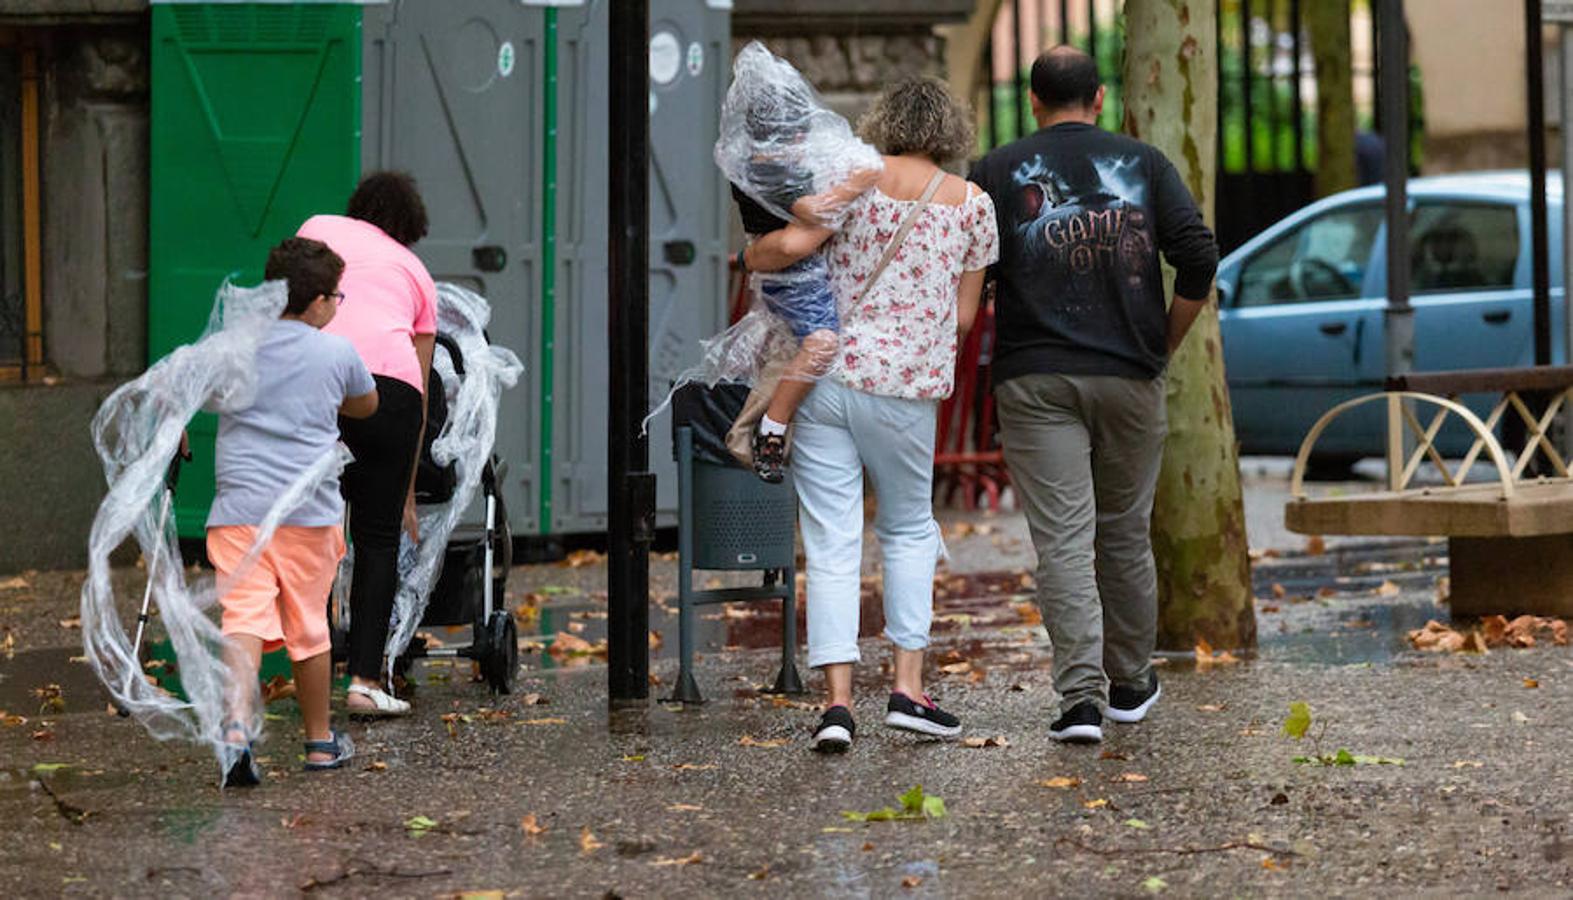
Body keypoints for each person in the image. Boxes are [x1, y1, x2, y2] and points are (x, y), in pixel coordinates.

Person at [969, 46, 1219, 745]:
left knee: (1062, 543)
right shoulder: (1143, 163)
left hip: (1034, 375)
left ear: (1032, 100)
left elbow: (971, 267)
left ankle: (1078, 701)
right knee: (1123, 532)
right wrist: (1161, 344)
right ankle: (1130, 683)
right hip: (1128, 374)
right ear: (1101, 98)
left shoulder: (994, 170)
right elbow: (1197, 255)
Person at [745, 76, 999, 752]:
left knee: (830, 541)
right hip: (904, 389)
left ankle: (835, 704)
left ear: (884, 122)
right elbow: (967, 316)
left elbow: (792, 249)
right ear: (950, 131)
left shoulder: (850, 177)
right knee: (909, 528)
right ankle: (908, 690)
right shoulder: (972, 205)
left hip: (823, 376)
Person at [210, 237, 379, 786]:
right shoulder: (336, 353)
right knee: (309, 626)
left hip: (238, 508)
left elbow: (196, 391)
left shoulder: (235, 345)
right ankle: (319, 743)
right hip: (308, 512)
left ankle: (236, 732)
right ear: (317, 303)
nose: (337, 305)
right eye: (337, 296)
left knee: (243, 620)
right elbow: (367, 404)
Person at [297, 172, 437, 716]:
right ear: (408, 228)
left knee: (314, 529)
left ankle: (310, 659)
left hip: (320, 383)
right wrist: (405, 488)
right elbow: (420, 391)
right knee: (377, 540)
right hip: (392, 396)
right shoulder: (417, 273)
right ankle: (363, 683)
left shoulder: (319, 228)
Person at [720, 41, 880, 483]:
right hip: (793, 277)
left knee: (809, 346)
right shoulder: (770, 169)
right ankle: (771, 429)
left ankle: (771, 424)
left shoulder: (761, 163)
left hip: (789, 270)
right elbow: (814, 212)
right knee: (822, 344)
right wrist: (858, 181)